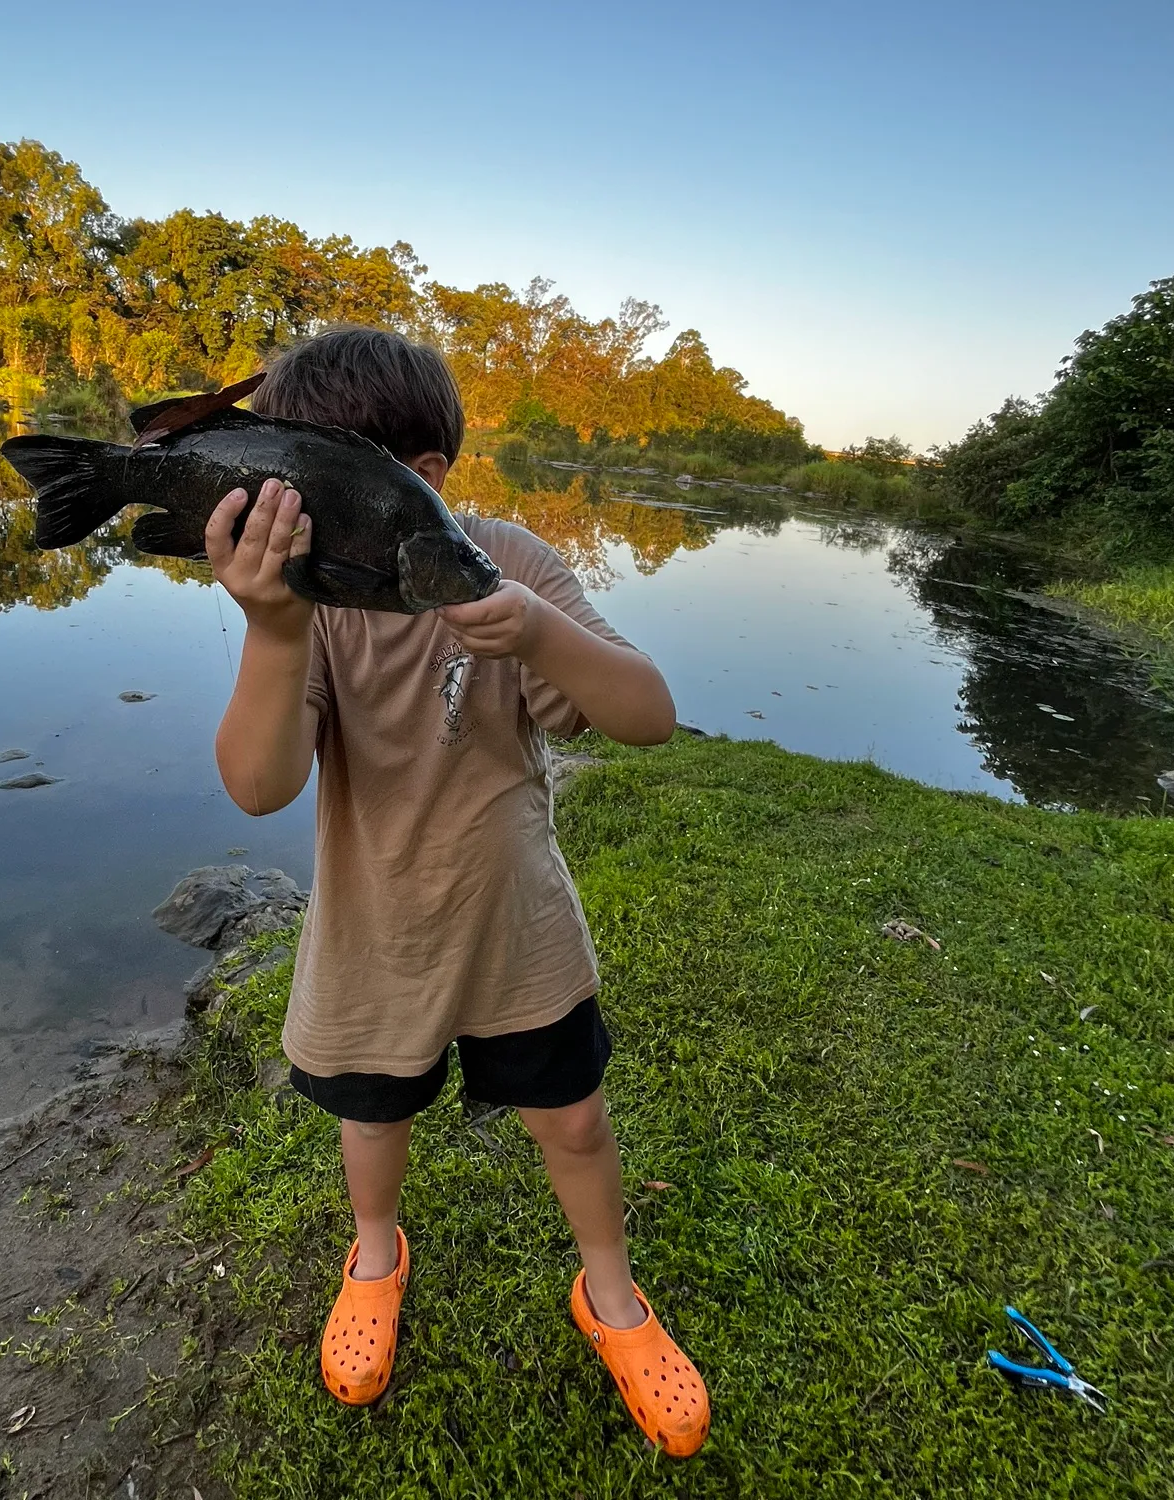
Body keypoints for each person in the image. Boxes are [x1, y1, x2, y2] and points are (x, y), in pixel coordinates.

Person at [206, 326, 710, 1458]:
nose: (282, 501)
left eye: (309, 479)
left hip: (516, 919)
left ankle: (611, 1295)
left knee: (573, 1119)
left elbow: (648, 715)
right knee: (371, 1118)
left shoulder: (512, 564)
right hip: (372, 930)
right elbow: (257, 784)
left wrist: (534, 634)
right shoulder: (311, 593)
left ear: (419, 483)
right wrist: (271, 624)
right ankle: (375, 1255)